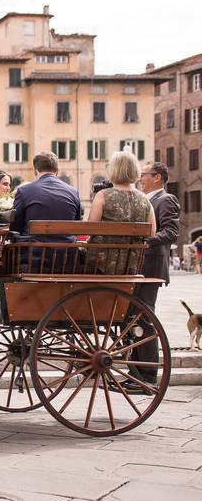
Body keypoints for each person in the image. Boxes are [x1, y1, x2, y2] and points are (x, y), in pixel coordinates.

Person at [130, 160, 180, 386]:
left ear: (157, 177)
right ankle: (136, 372)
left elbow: (171, 232)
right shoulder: (145, 200)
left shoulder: (166, 199)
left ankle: (148, 375)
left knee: (145, 317)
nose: (141, 178)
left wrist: (144, 241)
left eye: (145, 175)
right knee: (134, 318)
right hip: (138, 265)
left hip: (151, 265)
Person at [87, 151, 156, 275]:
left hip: (101, 263)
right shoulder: (145, 199)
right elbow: (151, 232)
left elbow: (90, 228)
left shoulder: (103, 196)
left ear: (113, 170)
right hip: (131, 264)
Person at [9, 152, 82, 243]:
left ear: (35, 171)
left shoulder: (24, 191)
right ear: (57, 171)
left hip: (33, 253)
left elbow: (15, 226)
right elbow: (76, 225)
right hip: (66, 253)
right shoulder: (73, 192)